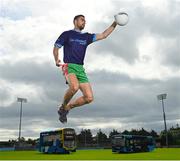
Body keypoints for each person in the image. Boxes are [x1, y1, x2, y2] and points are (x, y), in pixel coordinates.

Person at [53, 14, 117, 123]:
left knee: (89, 98)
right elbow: (56, 48)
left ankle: (67, 108)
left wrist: (115, 23)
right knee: (74, 87)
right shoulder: (67, 34)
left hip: (80, 69)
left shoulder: (86, 37)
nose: (84, 22)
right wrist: (56, 59)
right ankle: (63, 107)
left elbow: (104, 35)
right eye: (82, 20)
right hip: (69, 66)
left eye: (85, 21)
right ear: (75, 21)